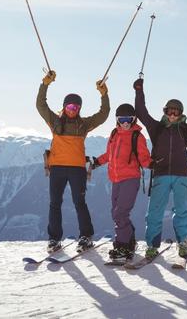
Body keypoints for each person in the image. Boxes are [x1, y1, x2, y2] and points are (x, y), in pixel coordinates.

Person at [133, 78, 187, 260]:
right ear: (165, 112)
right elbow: (141, 112)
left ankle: (183, 243)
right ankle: (152, 246)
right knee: (154, 211)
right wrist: (139, 90)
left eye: (176, 112)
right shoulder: (156, 128)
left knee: (181, 210)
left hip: (181, 176)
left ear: (180, 114)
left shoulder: (185, 129)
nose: (173, 114)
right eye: (170, 111)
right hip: (161, 174)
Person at [36, 70, 110, 253]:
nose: (72, 111)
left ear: (79, 109)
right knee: (55, 203)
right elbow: (41, 105)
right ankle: (54, 239)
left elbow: (104, 114)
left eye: (76, 108)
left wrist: (104, 94)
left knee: (79, 202)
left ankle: (86, 236)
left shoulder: (83, 124)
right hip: (58, 168)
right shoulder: (54, 121)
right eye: (69, 107)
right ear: (64, 107)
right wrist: (45, 84)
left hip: (77, 169)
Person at [92, 103, 152, 260]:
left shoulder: (137, 136)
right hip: (116, 179)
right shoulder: (114, 134)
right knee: (116, 213)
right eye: (122, 119)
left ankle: (123, 245)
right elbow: (109, 154)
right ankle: (129, 240)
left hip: (131, 179)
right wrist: (96, 162)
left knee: (120, 213)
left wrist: (154, 165)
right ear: (117, 120)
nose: (126, 123)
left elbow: (144, 158)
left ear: (134, 119)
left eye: (129, 119)